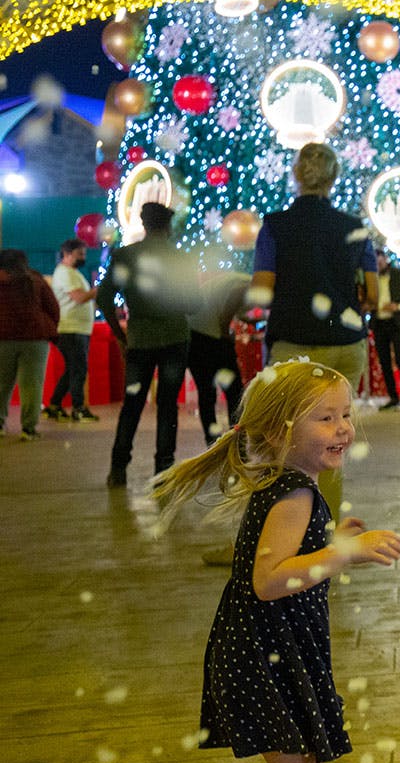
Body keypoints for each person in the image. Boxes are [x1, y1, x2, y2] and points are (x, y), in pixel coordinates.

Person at [150, 359, 400, 763]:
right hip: (269, 651)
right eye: (325, 418)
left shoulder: (287, 479)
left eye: (345, 414)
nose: (343, 427)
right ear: (277, 431)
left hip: (270, 644)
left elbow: (286, 553)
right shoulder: (295, 494)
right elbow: (269, 580)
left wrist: (327, 542)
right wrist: (343, 554)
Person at [249, 142, 378, 514]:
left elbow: (262, 289)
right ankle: (325, 530)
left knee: (278, 443)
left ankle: (275, 534)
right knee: (331, 443)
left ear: (296, 175)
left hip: (294, 344)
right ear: (334, 178)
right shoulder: (355, 228)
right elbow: (372, 294)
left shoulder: (275, 226)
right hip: (345, 346)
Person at [99, 202, 202, 487]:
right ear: (168, 227)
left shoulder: (125, 256)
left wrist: (121, 338)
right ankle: (163, 469)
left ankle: (118, 468)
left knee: (131, 404)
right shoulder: (181, 258)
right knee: (168, 406)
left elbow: (104, 299)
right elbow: (194, 303)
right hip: (175, 339)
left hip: (140, 341)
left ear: (143, 224)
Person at [0, 249, 60, 440]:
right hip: (35, 340)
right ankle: (29, 429)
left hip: (3, 340)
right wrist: (47, 327)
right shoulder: (35, 280)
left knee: (2, 384)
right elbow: (53, 307)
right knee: (32, 385)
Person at [187, 269, 250, 445]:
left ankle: (212, 441)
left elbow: (238, 310)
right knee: (234, 391)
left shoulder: (237, 279)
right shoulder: (252, 283)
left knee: (207, 392)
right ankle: (236, 440)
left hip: (192, 335)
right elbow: (235, 297)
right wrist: (224, 331)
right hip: (211, 337)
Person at [45, 237, 99, 422]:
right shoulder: (65, 273)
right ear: (67, 255)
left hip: (78, 329)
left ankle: (55, 405)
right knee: (78, 369)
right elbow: (79, 298)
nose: (83, 257)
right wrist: (97, 290)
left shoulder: (73, 272)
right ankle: (78, 408)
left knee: (73, 369)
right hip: (71, 329)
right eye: (79, 254)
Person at [371, 250, 400, 411]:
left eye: (380, 262)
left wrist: (397, 306)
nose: (378, 265)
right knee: (384, 360)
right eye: (375, 263)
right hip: (379, 322)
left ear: (385, 259)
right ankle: (393, 397)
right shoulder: (371, 277)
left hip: (397, 322)